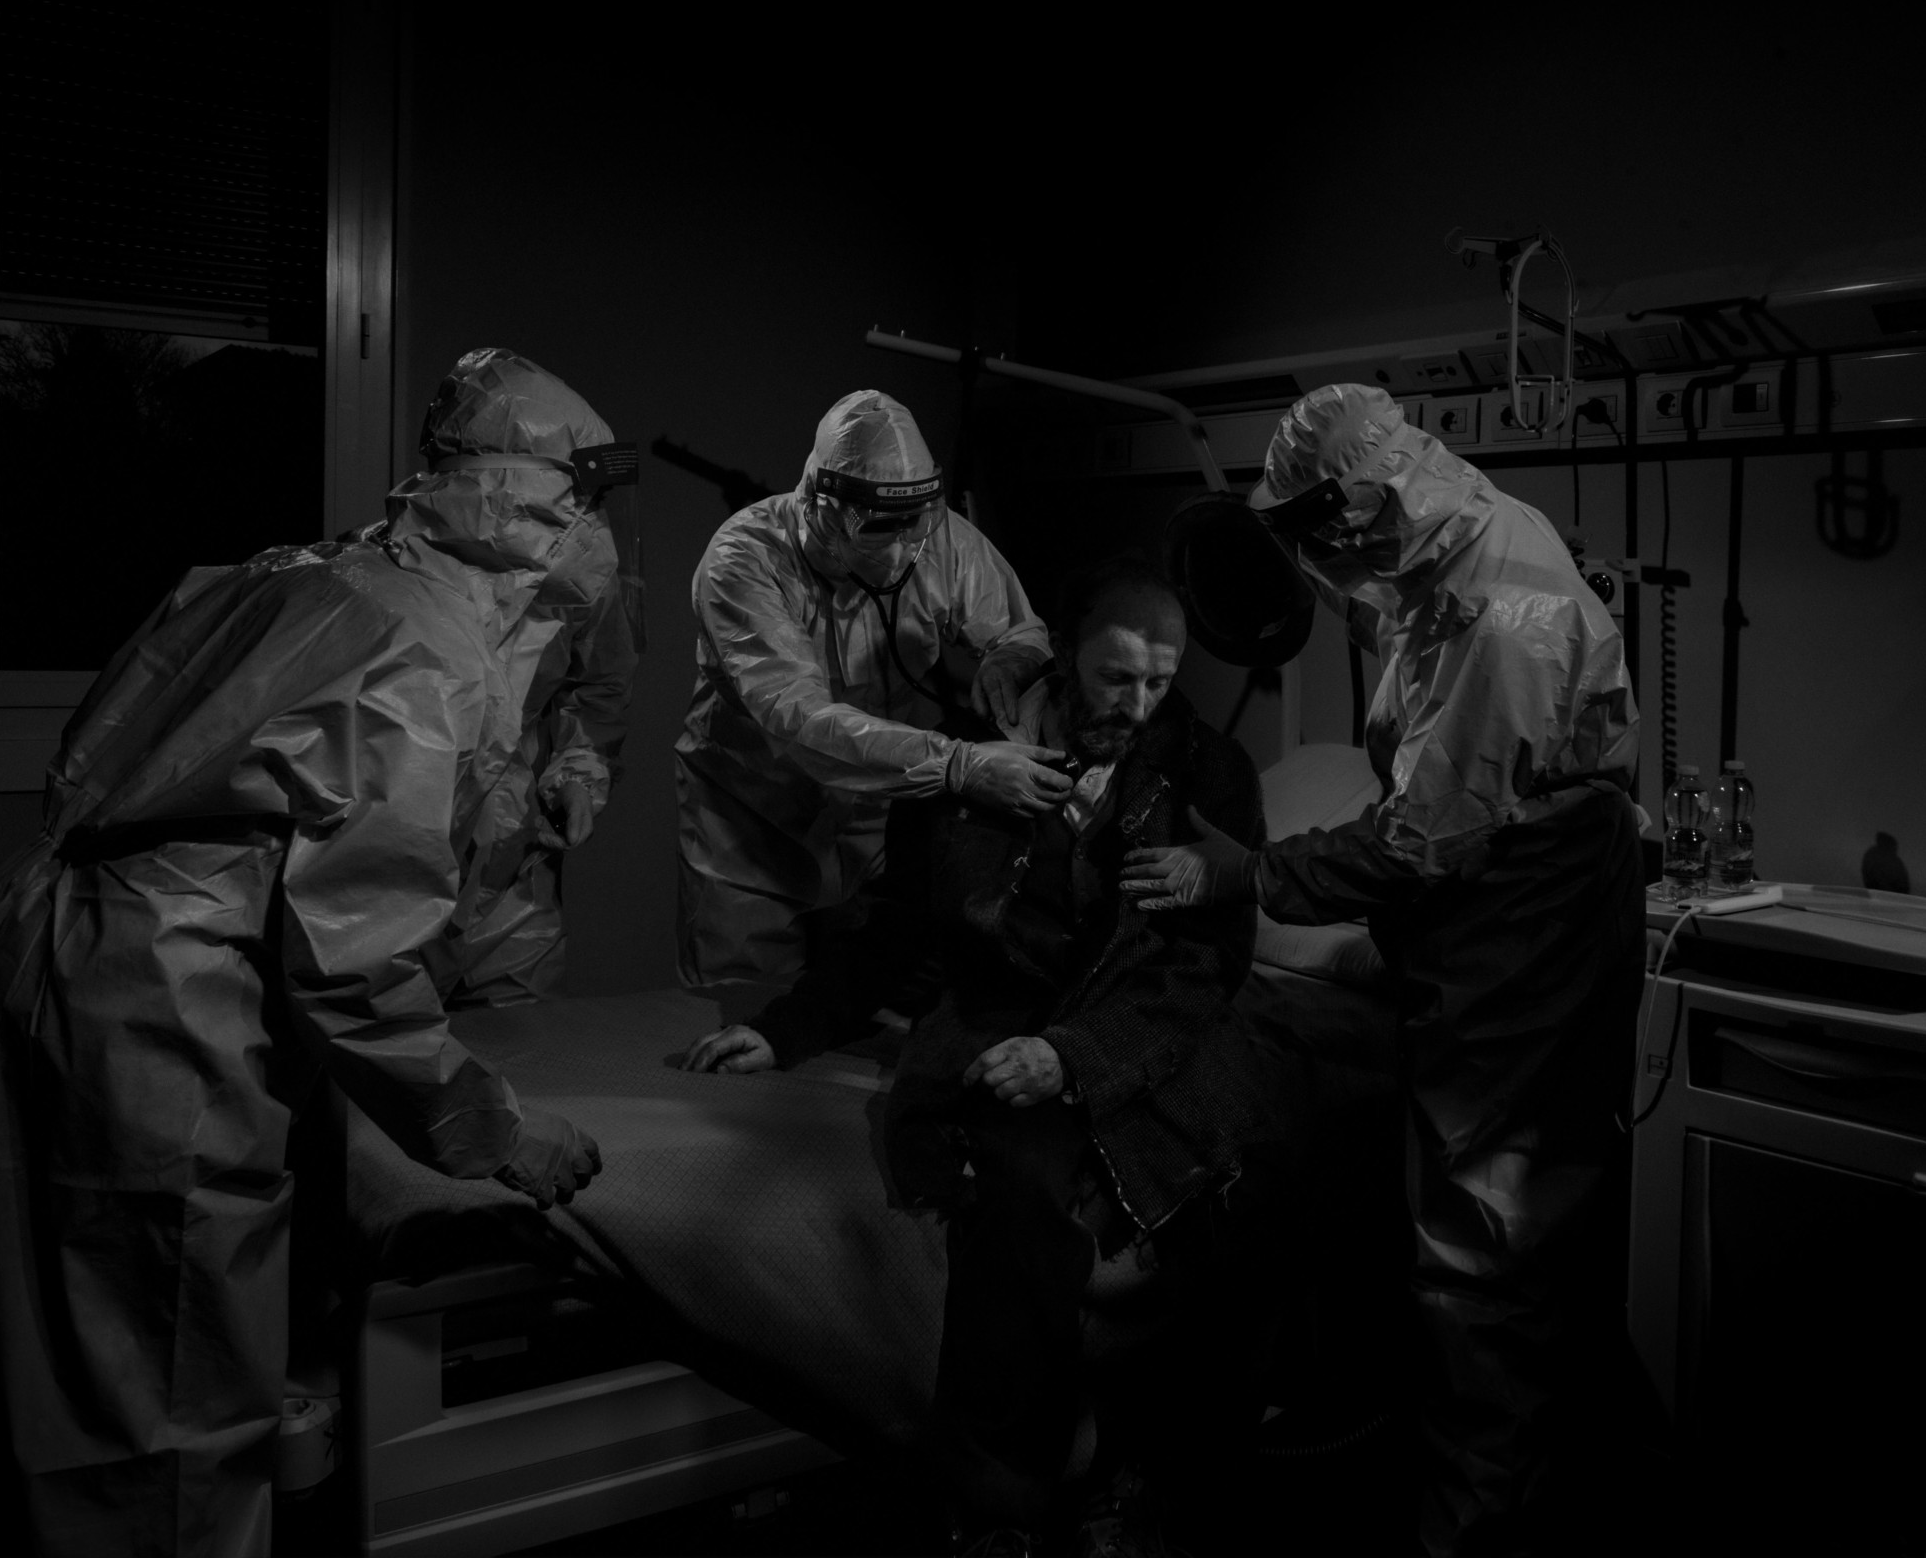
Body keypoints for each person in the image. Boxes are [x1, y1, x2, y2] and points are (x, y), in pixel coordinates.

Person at [0, 349, 613, 1558]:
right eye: (582, 504)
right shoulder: (424, 653)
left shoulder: (301, 572)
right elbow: (357, 965)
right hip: (159, 1001)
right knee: (170, 1377)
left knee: (57, 1339)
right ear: (525, 511)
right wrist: (496, 1133)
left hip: (34, 935)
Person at [1122, 383, 1644, 1558]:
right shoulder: (1432, 550)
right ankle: (1502, 1481)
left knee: (1484, 1242)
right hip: (1482, 916)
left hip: (1527, 919)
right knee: (1493, 1227)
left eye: (1316, 533)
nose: (1318, 563)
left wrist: (1247, 875)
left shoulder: (1502, 619)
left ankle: (1477, 1529)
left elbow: (1417, 839)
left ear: (1361, 505)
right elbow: (1388, 654)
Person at [699, 557, 1280, 1556]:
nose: (1138, 705)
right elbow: (896, 927)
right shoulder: (965, 766)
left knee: (1103, 1180)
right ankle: (999, 1503)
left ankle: (1101, 1477)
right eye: (1115, 677)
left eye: (1160, 680)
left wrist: (1073, 1056)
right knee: (1011, 1168)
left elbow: (1202, 967)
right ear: (1062, 655)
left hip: (1137, 1024)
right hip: (994, 1017)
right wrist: (788, 1029)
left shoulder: (1206, 771)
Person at [672, 388, 1066, 995]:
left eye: (917, 522)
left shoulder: (941, 540)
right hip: (751, 825)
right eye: (882, 526)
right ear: (823, 506)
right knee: (743, 1013)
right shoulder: (745, 559)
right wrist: (957, 765)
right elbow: (798, 716)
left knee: (863, 998)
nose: (907, 546)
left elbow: (1020, 629)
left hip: (878, 818)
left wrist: (1009, 659)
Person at [352, 350, 643, 1006]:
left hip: (514, 870)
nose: (593, 525)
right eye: (580, 499)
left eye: (598, 501)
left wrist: (577, 773)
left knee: (523, 1049)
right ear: (512, 493)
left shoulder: (576, 583)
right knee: (384, 1040)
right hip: (384, 884)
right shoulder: (375, 589)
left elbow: (599, 686)